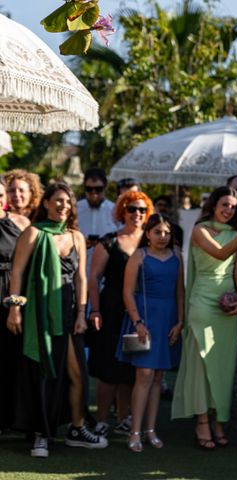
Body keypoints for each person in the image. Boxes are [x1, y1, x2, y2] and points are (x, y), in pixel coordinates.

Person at [7, 183, 107, 458]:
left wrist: (81, 315)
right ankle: (41, 434)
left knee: (77, 374)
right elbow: (17, 272)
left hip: (69, 311)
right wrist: (14, 309)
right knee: (44, 372)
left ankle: (76, 428)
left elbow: (82, 279)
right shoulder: (33, 232)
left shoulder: (76, 237)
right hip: (38, 311)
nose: (64, 206)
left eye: (68, 202)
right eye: (59, 201)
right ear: (47, 203)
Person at [172, 186, 237, 449]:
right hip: (202, 301)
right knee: (201, 362)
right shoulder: (200, 230)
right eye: (224, 204)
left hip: (228, 305)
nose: (228, 210)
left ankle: (218, 421)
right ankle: (201, 421)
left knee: (223, 366)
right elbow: (220, 254)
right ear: (213, 205)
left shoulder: (234, 233)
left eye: (233, 207)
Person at [87, 191, 153, 437]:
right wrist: (94, 309)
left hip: (139, 312)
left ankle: (124, 419)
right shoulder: (109, 241)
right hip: (111, 308)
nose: (137, 214)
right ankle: (103, 419)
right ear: (122, 211)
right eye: (132, 209)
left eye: (142, 210)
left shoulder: (151, 241)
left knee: (129, 367)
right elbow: (94, 277)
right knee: (107, 367)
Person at [117, 214, 184, 452]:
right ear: (148, 234)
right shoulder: (139, 256)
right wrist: (137, 322)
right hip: (144, 319)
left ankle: (151, 430)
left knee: (157, 378)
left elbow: (180, 292)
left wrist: (180, 322)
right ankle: (134, 431)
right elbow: (127, 292)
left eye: (166, 232)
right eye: (157, 232)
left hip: (167, 319)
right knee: (144, 374)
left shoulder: (177, 256)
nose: (163, 237)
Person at [0, 177, 30, 432]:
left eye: (1, 195)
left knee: (12, 356)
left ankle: (13, 416)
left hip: (13, 294)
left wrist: (16, 305)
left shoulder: (22, 224)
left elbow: (26, 268)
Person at [76, 167, 118, 254]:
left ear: (105, 187)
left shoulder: (115, 210)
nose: (93, 193)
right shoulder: (76, 209)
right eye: (89, 189)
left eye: (98, 189)